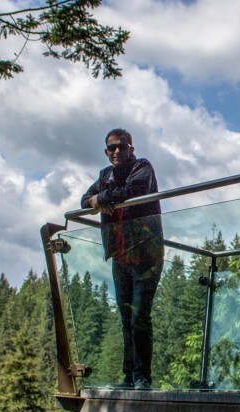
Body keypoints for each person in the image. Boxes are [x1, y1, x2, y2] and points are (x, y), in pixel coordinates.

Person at [81, 128, 164, 390]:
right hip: (120, 256)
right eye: (111, 148)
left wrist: (102, 198)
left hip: (145, 254)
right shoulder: (105, 175)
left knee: (140, 316)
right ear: (106, 152)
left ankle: (142, 377)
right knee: (125, 316)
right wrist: (99, 199)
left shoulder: (142, 166)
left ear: (131, 148)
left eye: (122, 147)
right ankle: (129, 376)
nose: (117, 151)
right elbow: (85, 201)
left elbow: (132, 190)